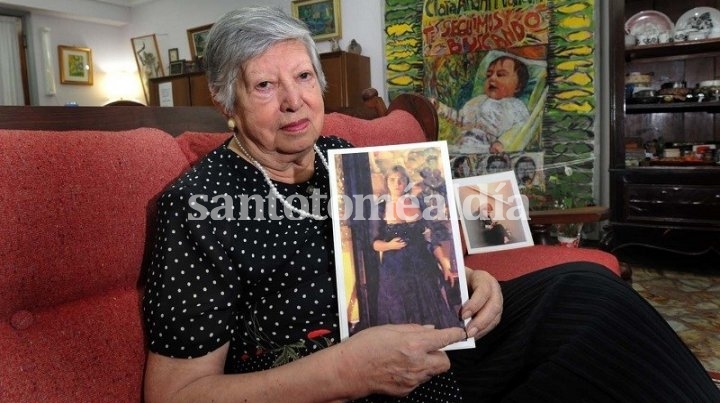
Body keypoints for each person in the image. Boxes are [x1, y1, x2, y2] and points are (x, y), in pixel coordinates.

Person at [142, 6, 720, 403]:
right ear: (227, 103)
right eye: (264, 86)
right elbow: (177, 395)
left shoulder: (339, 156)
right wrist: (344, 371)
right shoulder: (195, 208)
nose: (294, 102)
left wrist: (465, 279)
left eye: (303, 77)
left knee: (585, 292)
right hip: (340, 387)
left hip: (430, 353)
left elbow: (411, 244)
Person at [370, 165, 460, 329]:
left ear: (406, 182)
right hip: (395, 269)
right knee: (403, 318)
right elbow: (375, 244)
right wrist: (389, 245)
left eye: (401, 179)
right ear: (387, 183)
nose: (397, 183)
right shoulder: (380, 208)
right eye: (393, 180)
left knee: (430, 317)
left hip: (422, 265)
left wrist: (446, 266)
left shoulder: (418, 203)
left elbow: (432, 238)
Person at [458, 55, 531, 151]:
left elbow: (521, 128)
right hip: (464, 141)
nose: (492, 78)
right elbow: (461, 118)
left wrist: (502, 142)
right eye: (488, 75)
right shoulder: (478, 100)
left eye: (500, 75)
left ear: (517, 86)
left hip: (487, 148)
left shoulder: (516, 106)